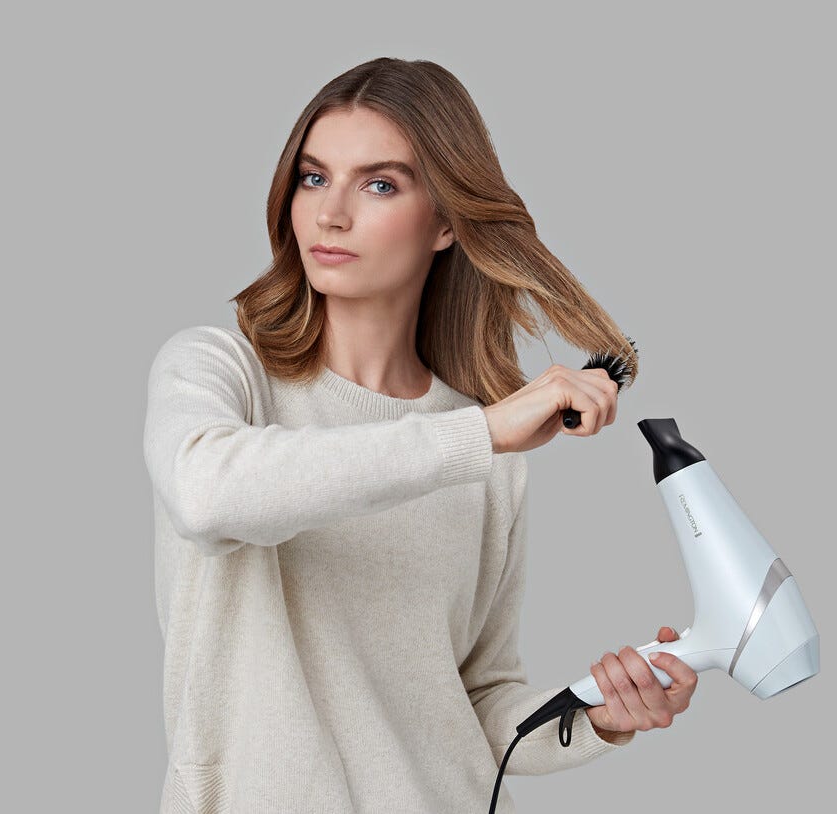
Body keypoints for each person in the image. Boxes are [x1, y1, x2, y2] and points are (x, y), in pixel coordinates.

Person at [143, 57, 697, 814]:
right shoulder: (217, 373)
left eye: (379, 185)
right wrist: (479, 433)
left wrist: (599, 716)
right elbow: (209, 498)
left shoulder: (489, 458)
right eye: (313, 178)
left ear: (444, 222)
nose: (330, 214)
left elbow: (476, 704)